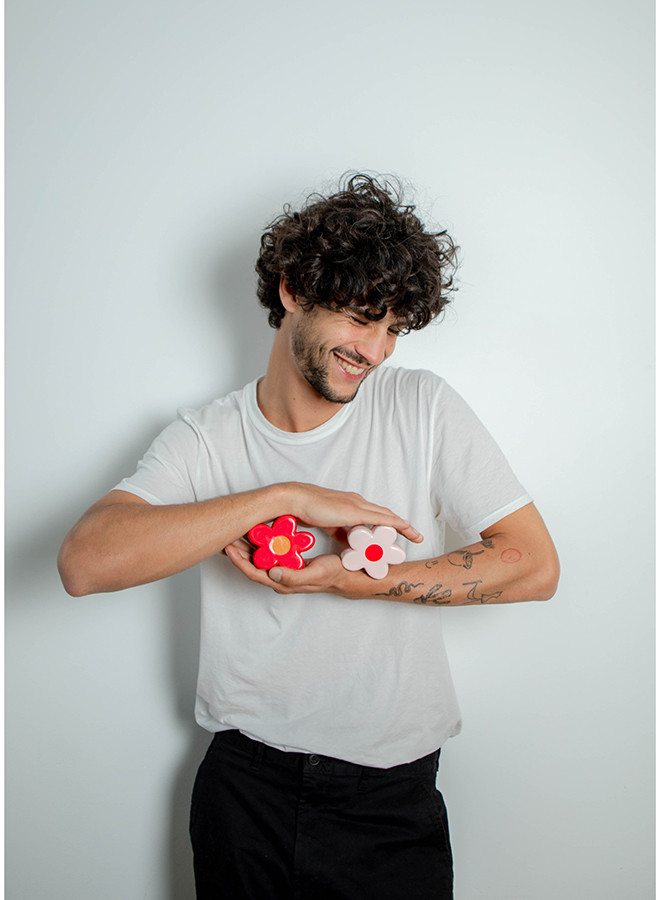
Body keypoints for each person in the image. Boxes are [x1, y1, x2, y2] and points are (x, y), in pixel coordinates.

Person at [58, 173, 559, 899]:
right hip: (245, 790)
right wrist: (285, 495)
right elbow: (85, 563)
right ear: (293, 290)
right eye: (361, 318)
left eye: (394, 329)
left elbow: (534, 565)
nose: (377, 350)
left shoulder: (419, 406)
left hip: (390, 799)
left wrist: (358, 582)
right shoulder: (206, 437)